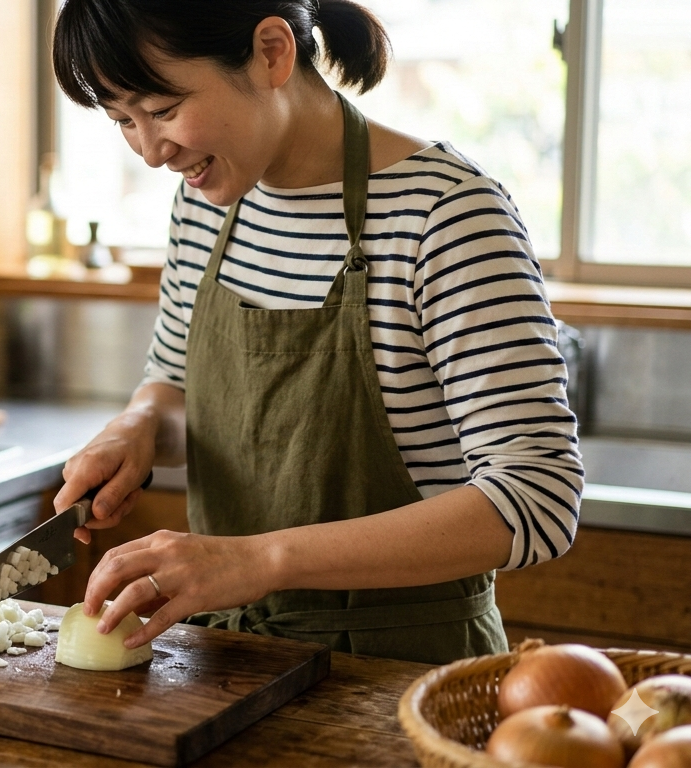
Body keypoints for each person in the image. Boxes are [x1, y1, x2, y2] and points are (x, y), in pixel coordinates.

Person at [50, 0, 582, 665]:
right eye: (123, 120)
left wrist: (261, 561)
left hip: (404, 672)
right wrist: (139, 427)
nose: (153, 153)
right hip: (226, 662)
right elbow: (180, 387)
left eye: (162, 109)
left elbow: (537, 496)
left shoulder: (445, 215)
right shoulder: (205, 200)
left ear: (272, 52)